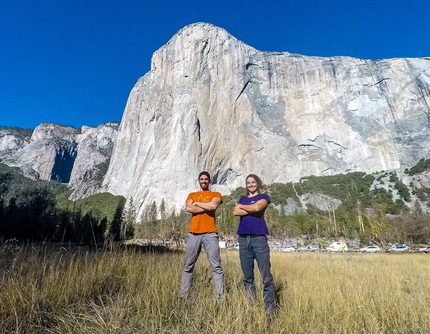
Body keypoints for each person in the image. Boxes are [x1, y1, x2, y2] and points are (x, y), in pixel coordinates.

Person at [233, 174, 276, 316]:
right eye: (248, 183)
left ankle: (269, 311)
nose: (250, 184)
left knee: (266, 277)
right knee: (247, 277)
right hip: (244, 239)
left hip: (258, 239)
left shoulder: (264, 197)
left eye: (253, 182)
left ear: (258, 183)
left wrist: (243, 207)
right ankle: (249, 308)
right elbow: (235, 211)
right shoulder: (242, 199)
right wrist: (246, 206)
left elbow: (258, 207)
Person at [178, 171, 224, 300]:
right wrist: (206, 207)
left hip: (211, 233)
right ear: (199, 181)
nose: (204, 181)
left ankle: (219, 298)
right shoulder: (192, 194)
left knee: (216, 266)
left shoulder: (216, 194)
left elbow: (213, 205)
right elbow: (188, 209)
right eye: (202, 179)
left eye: (206, 179)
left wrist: (197, 204)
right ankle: (182, 295)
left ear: (209, 181)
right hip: (193, 233)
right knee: (188, 265)